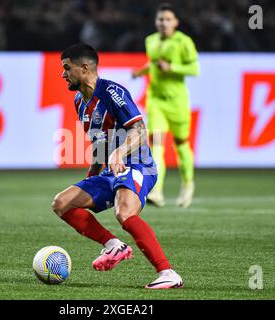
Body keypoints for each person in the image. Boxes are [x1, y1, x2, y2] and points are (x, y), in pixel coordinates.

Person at [52, 43, 183, 289]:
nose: (63, 74)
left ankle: (168, 273)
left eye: (66, 68)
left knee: (124, 212)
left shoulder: (113, 92)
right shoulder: (80, 102)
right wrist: (92, 175)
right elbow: (99, 144)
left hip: (138, 164)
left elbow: (140, 130)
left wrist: (121, 151)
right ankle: (113, 245)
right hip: (111, 170)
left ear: (84, 67)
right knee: (62, 203)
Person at [132, 3, 200, 208]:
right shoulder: (150, 41)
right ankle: (157, 190)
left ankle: (188, 184)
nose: (164, 23)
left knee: (181, 145)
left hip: (177, 101)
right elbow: (153, 64)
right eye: (161, 19)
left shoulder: (184, 42)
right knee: (157, 144)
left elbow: (194, 68)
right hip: (156, 100)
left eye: (168, 19)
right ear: (156, 22)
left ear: (176, 22)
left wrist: (172, 67)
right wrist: (141, 72)